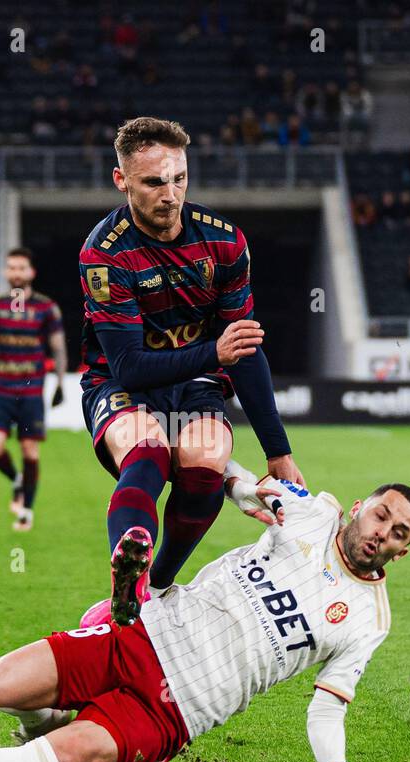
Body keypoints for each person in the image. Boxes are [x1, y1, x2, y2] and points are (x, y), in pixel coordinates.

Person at [0, 467, 410, 762]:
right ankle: (41, 718)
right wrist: (242, 485)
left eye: (400, 532)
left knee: (65, 755)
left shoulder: (370, 619)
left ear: (401, 553)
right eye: (381, 514)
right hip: (144, 635)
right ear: (357, 507)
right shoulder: (311, 512)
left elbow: (327, 708)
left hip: (175, 712)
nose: (384, 532)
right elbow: (232, 477)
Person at [76, 116, 301, 625]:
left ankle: (151, 586)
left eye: (179, 178)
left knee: (203, 463)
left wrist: (278, 453)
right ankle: (130, 552)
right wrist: (214, 353)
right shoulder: (104, 255)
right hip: (118, 384)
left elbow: (242, 351)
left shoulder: (224, 243)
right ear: (122, 181)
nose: (170, 193)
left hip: (196, 384)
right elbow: (130, 368)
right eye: (154, 182)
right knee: (149, 446)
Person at [0, 248, 66, 532]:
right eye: (11, 268)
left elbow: (58, 347)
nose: (16, 273)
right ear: (5, 272)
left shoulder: (47, 307)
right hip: (2, 388)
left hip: (32, 389)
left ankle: (26, 510)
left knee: (30, 450)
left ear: (31, 272)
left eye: (21, 268)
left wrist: (60, 383)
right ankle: (16, 479)